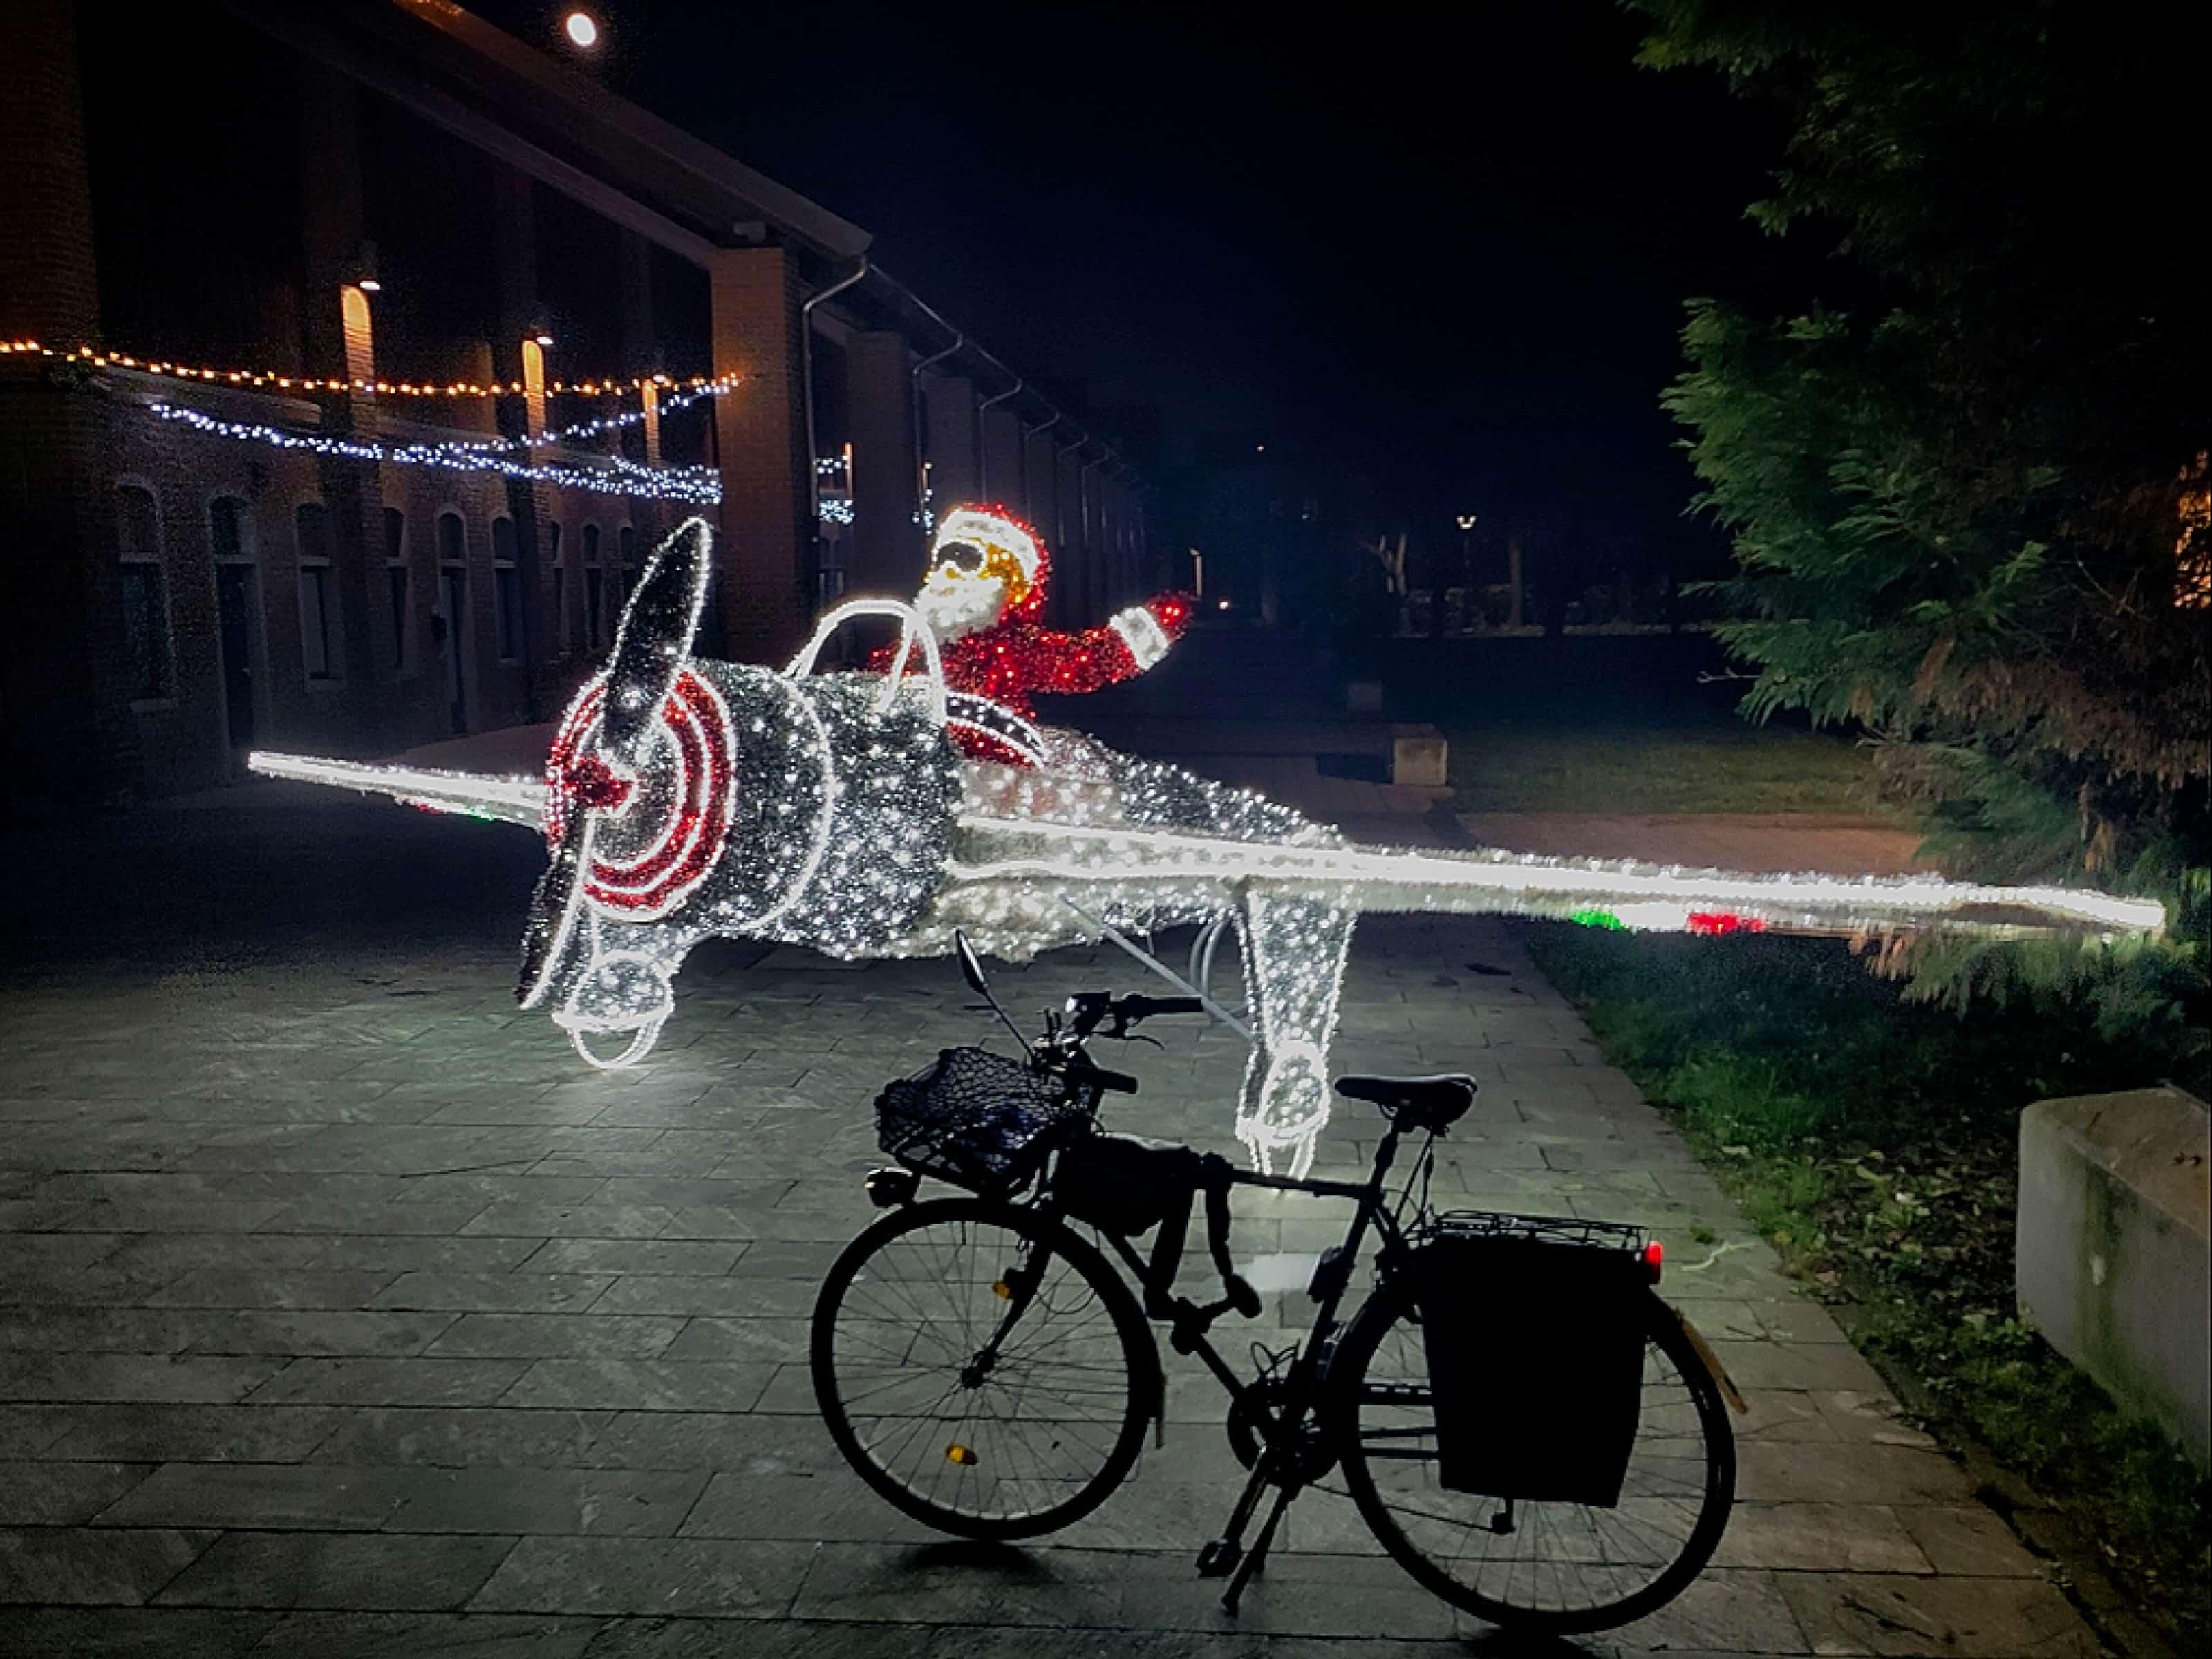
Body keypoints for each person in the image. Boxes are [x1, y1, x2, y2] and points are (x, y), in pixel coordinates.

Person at [888, 505, 1194, 762]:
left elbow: (1079, 661)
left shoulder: (1010, 646)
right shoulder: (910, 647)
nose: (948, 570)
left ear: (1009, 580)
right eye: (944, 557)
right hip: (918, 764)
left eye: (967, 558)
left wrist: (1151, 626)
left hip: (994, 768)